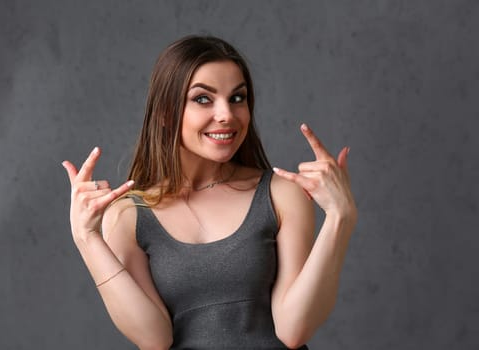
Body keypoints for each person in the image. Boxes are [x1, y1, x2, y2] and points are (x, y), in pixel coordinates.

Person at [62, 35, 357, 349]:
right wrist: (86, 238)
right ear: (164, 112)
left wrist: (340, 218)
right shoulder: (129, 215)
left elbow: (293, 330)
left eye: (237, 98)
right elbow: (154, 339)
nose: (227, 114)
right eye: (203, 99)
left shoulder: (280, 194)